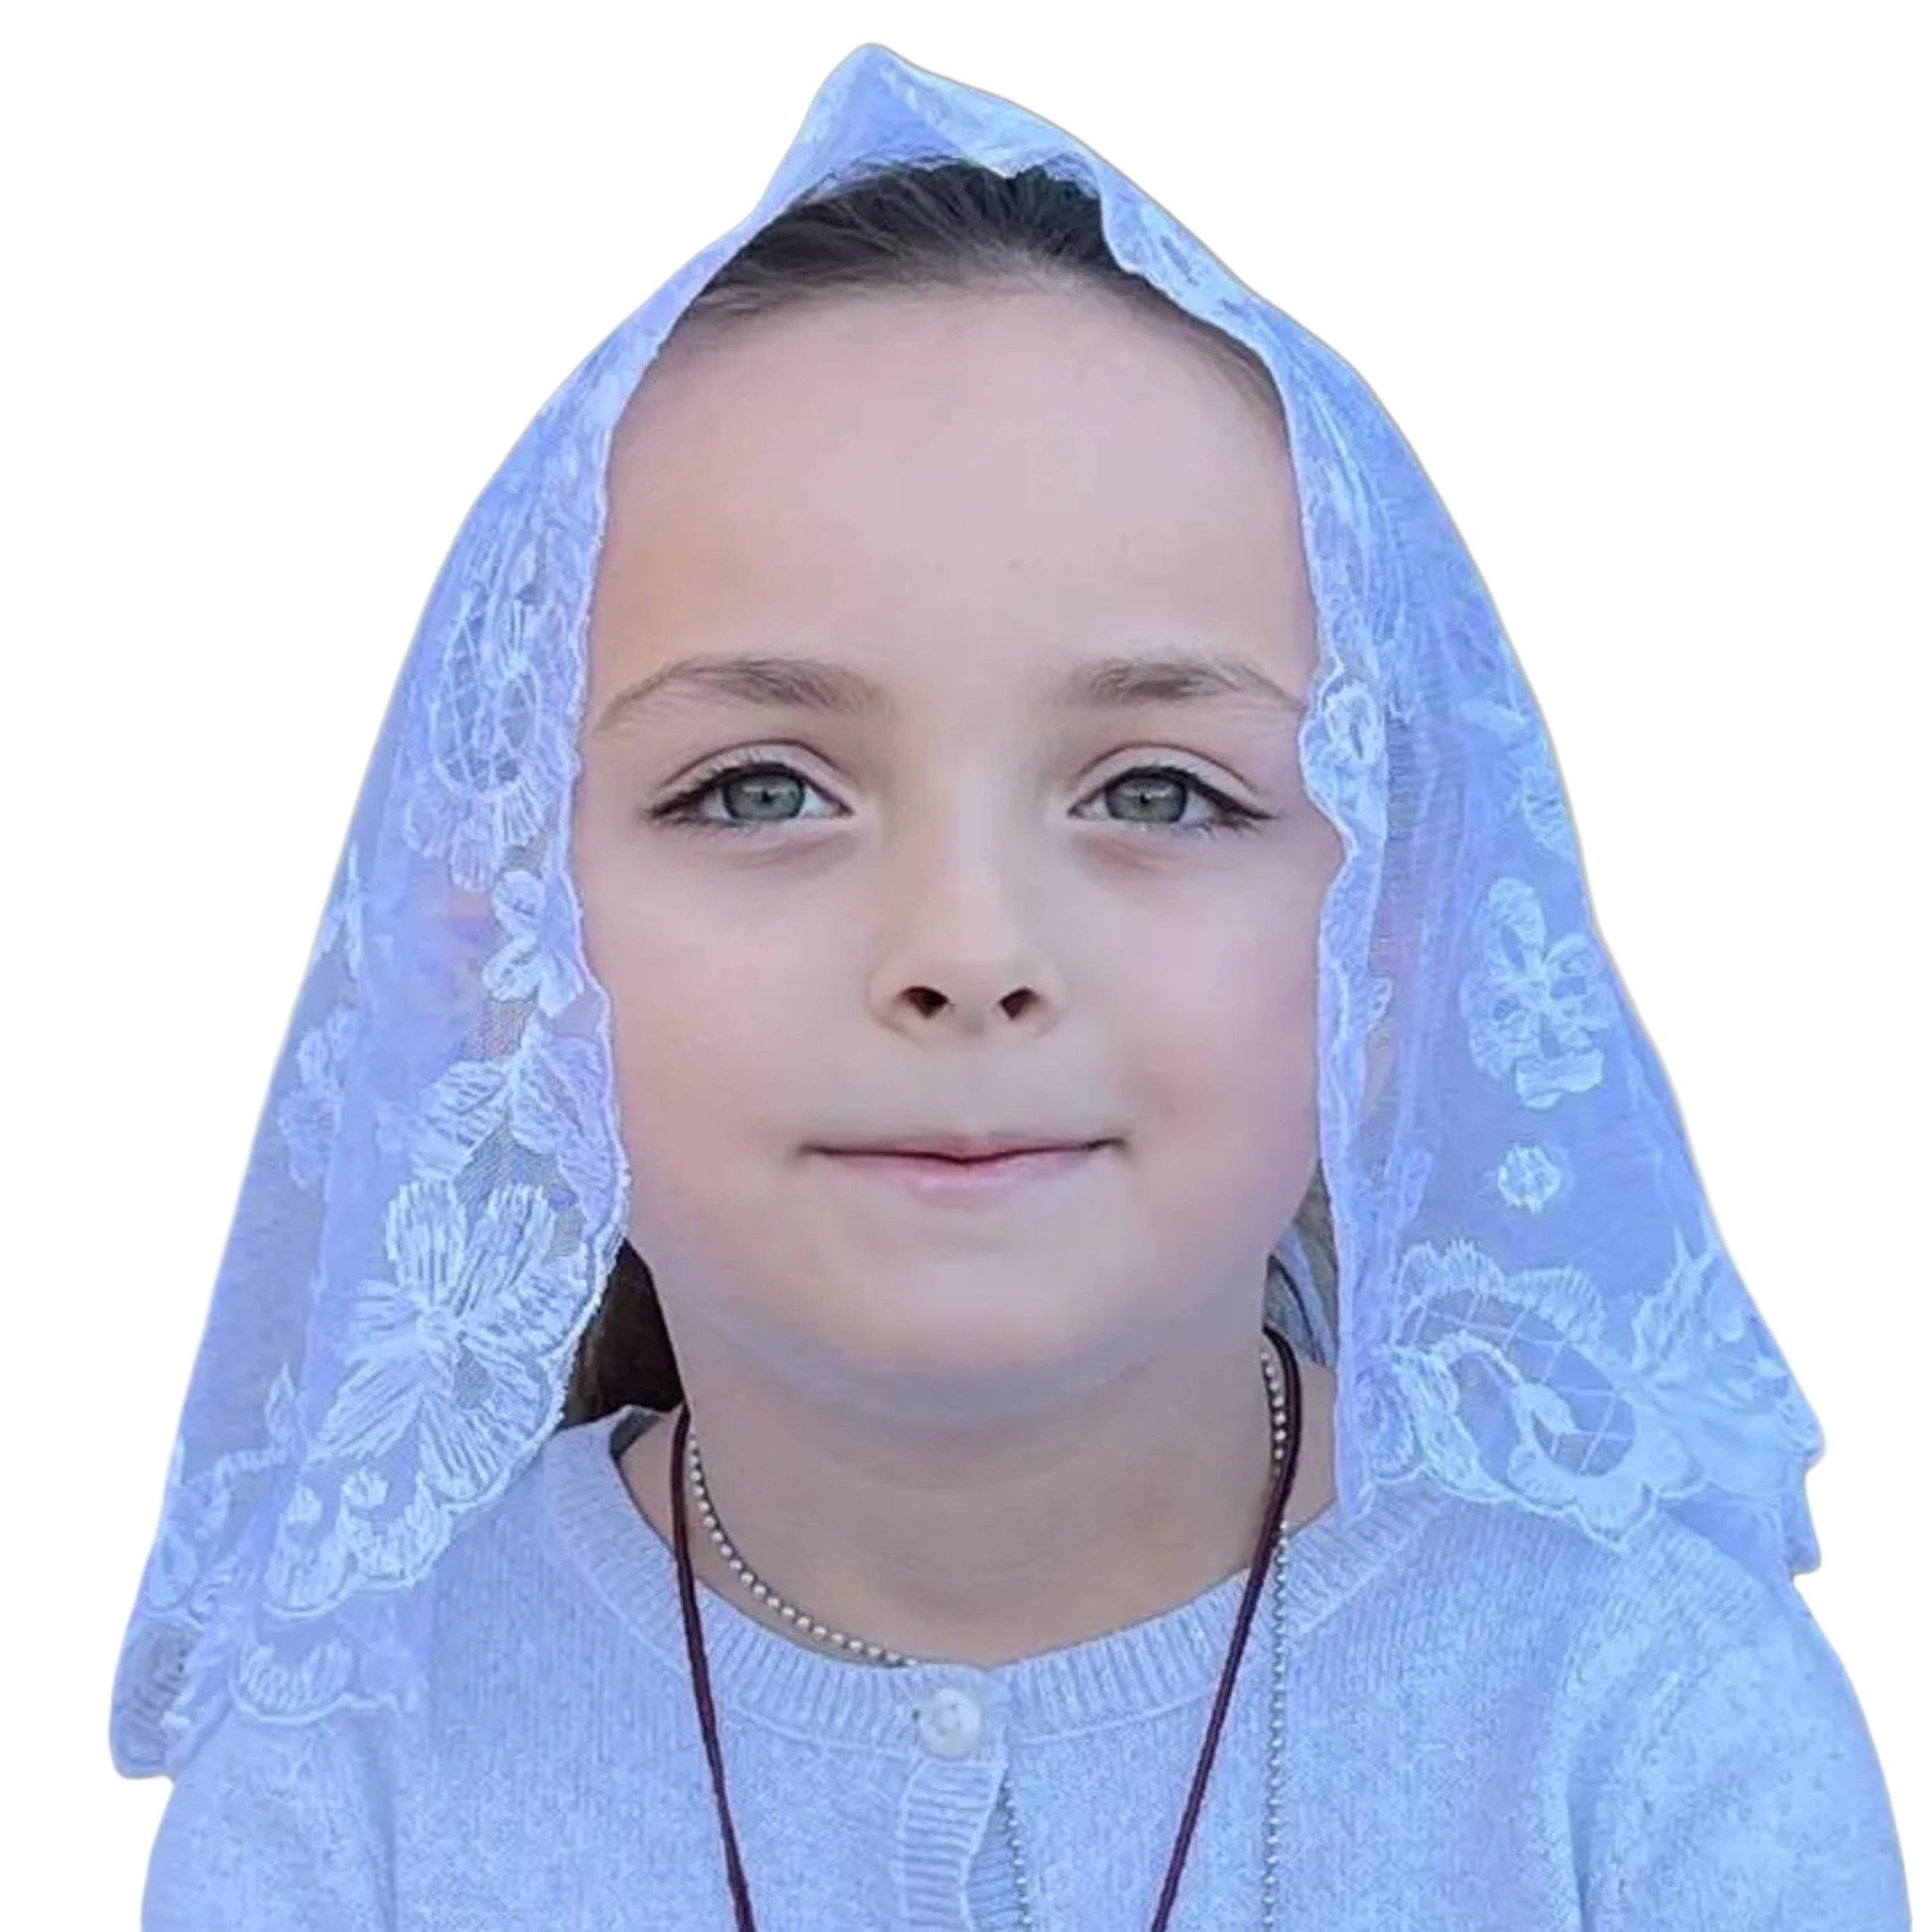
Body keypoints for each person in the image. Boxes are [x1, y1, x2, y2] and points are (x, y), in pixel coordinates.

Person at [114, 43, 1910, 1931]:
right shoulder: (347, 1781)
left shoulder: (1644, 1745)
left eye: (1157, 789)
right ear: (502, 940)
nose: (964, 952)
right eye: (756, 788)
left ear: (1395, 937)